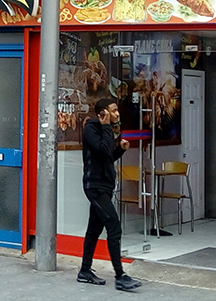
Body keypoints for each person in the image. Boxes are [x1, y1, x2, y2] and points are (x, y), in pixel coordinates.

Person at [78, 97, 141, 291]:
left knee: (94, 229)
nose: (117, 114)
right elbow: (103, 148)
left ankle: (85, 271)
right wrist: (106, 126)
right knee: (114, 227)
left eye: (117, 111)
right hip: (95, 187)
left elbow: (107, 157)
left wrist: (119, 150)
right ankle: (120, 275)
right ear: (102, 113)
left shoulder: (105, 130)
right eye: (113, 111)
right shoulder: (91, 128)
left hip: (104, 186)